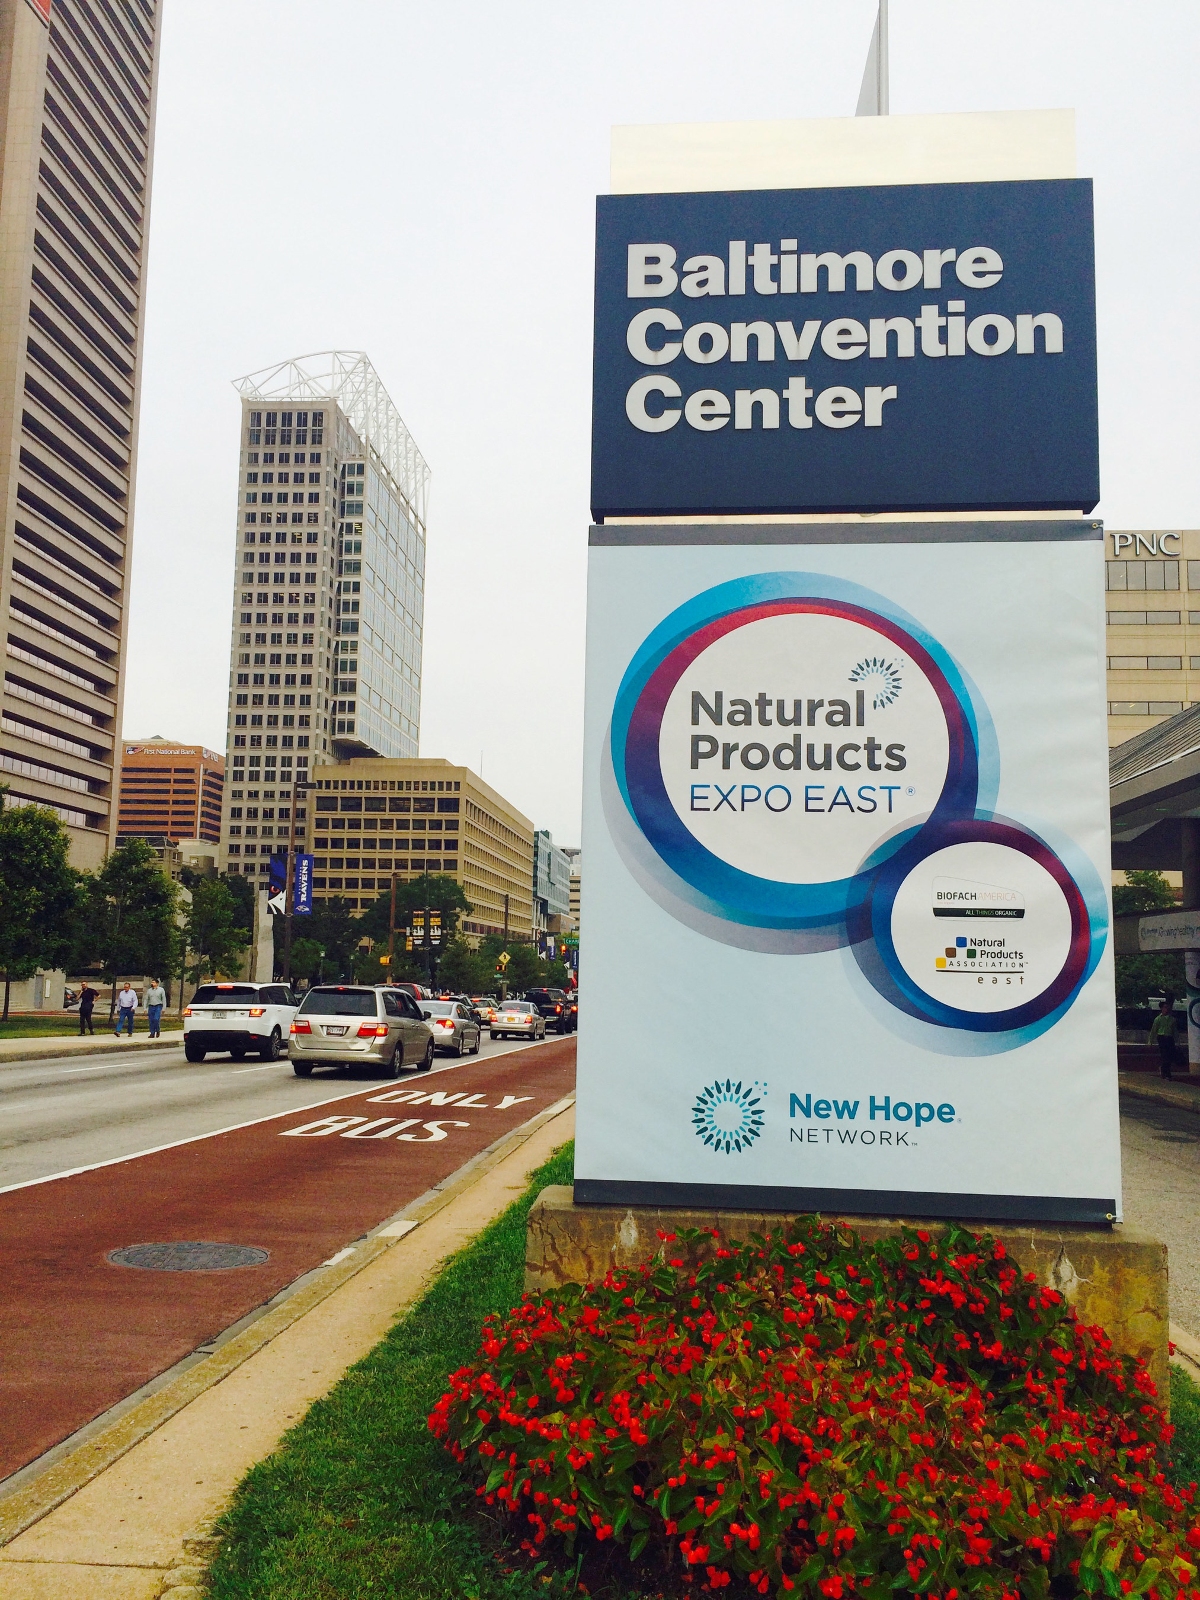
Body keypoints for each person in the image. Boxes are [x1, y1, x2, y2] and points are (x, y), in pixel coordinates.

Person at [1149, 998, 1178, 1080]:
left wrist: (1177, 1041)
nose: (1166, 1009)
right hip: (1161, 1038)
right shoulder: (1158, 1019)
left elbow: (1175, 1031)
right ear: (1161, 1008)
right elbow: (1153, 1030)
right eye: (1165, 1007)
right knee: (1165, 1055)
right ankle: (1167, 1073)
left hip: (1170, 1038)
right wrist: (1150, 1041)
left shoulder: (1172, 1019)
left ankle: (1164, 1069)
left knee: (1170, 1055)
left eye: (1167, 1007)